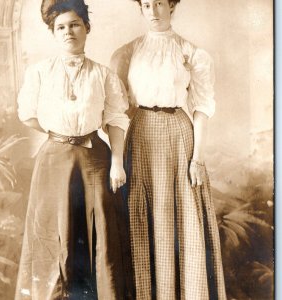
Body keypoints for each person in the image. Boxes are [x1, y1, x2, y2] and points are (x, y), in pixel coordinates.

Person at [15, 0, 132, 299]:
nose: (68, 32)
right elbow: (27, 113)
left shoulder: (103, 74)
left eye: (75, 25)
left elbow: (116, 119)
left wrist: (117, 161)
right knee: (54, 236)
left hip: (95, 160)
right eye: (61, 27)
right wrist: (62, 132)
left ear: (87, 28)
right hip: (54, 161)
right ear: (54, 33)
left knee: (99, 236)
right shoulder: (40, 72)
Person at [111, 0, 226, 299]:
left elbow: (201, 108)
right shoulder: (126, 53)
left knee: (184, 217)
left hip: (179, 137)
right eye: (146, 4)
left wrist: (197, 157)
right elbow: (118, 112)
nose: (153, 11)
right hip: (141, 135)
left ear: (172, 6)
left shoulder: (192, 53)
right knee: (143, 212)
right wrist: (117, 158)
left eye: (159, 3)